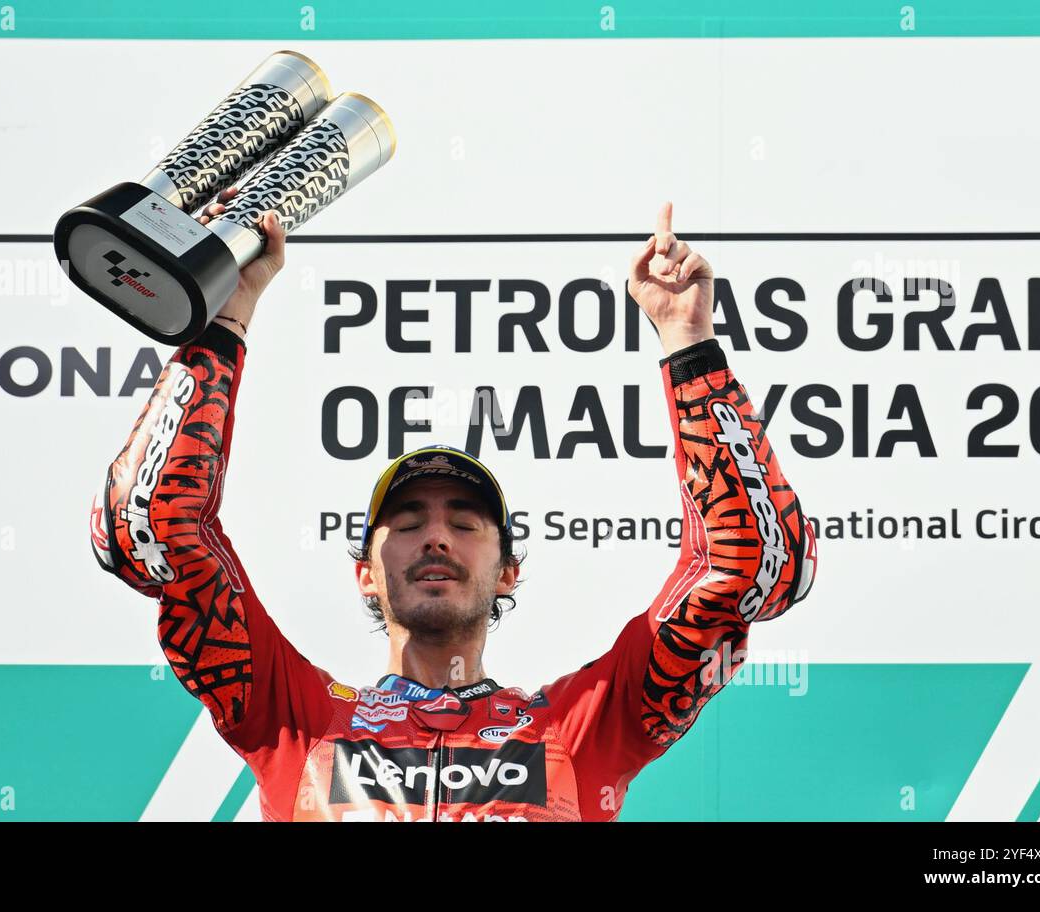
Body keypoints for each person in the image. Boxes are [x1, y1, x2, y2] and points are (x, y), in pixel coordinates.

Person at [88, 194, 819, 822]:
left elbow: (754, 565)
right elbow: (148, 527)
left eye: (465, 524)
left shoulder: (580, 727)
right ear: (365, 575)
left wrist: (686, 343)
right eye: (406, 525)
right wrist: (227, 315)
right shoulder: (294, 718)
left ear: (508, 571)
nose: (435, 536)